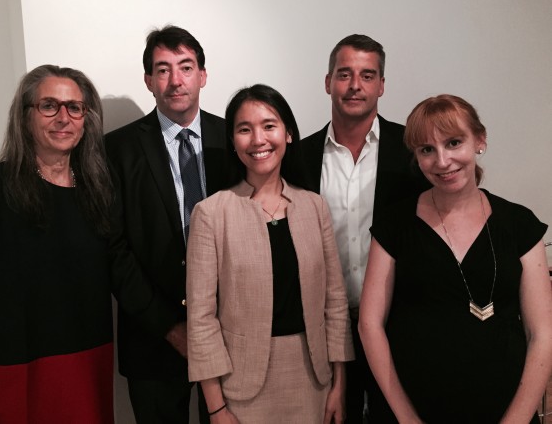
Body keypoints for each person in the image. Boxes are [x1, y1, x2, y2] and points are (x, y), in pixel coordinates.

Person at [0, 65, 117, 423]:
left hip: (86, 376)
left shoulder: (100, 193)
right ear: (25, 116)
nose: (63, 117)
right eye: (49, 105)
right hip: (10, 380)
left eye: (74, 107)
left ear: (86, 119)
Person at [359, 94, 552, 423]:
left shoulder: (519, 225)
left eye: (453, 143)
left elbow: (542, 334)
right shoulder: (394, 225)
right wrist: (407, 419)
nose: (442, 161)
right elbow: (370, 325)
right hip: (412, 411)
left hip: (504, 410)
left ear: (480, 140)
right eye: (427, 150)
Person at [186, 84, 355, 423]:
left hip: (314, 380)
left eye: (269, 126)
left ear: (288, 133)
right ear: (233, 141)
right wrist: (215, 407)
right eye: (244, 129)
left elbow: (335, 301)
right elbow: (201, 318)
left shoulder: (314, 206)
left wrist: (339, 384)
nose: (258, 139)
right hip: (240, 387)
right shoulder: (211, 213)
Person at [300, 34, 429, 422]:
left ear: (381, 85)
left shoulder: (414, 154)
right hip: (326, 332)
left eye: (367, 75)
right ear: (328, 82)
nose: (355, 85)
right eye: (345, 74)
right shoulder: (299, 158)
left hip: (398, 326)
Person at [105, 25, 228, 423]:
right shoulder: (116, 150)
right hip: (152, 339)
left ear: (203, 75)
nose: (176, 80)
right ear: (148, 80)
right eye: (163, 69)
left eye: (186, 67)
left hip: (229, 331)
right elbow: (113, 250)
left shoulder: (235, 138)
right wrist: (170, 327)